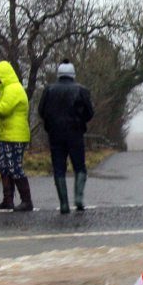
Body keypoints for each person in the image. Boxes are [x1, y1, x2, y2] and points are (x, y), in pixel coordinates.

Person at [37, 59, 95, 214]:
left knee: (59, 168)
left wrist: (51, 123)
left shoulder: (49, 90)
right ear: (73, 74)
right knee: (79, 166)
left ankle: (64, 204)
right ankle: (79, 199)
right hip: (75, 132)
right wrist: (80, 120)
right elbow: (90, 113)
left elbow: (41, 110)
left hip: (55, 133)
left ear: (59, 74)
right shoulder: (82, 90)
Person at [0, 60, 33, 211]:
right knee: (4, 167)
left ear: (3, 76)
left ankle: (26, 201)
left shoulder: (13, 90)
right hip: (6, 136)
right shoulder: (6, 90)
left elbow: (3, 109)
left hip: (15, 137)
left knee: (14, 167)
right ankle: (8, 200)